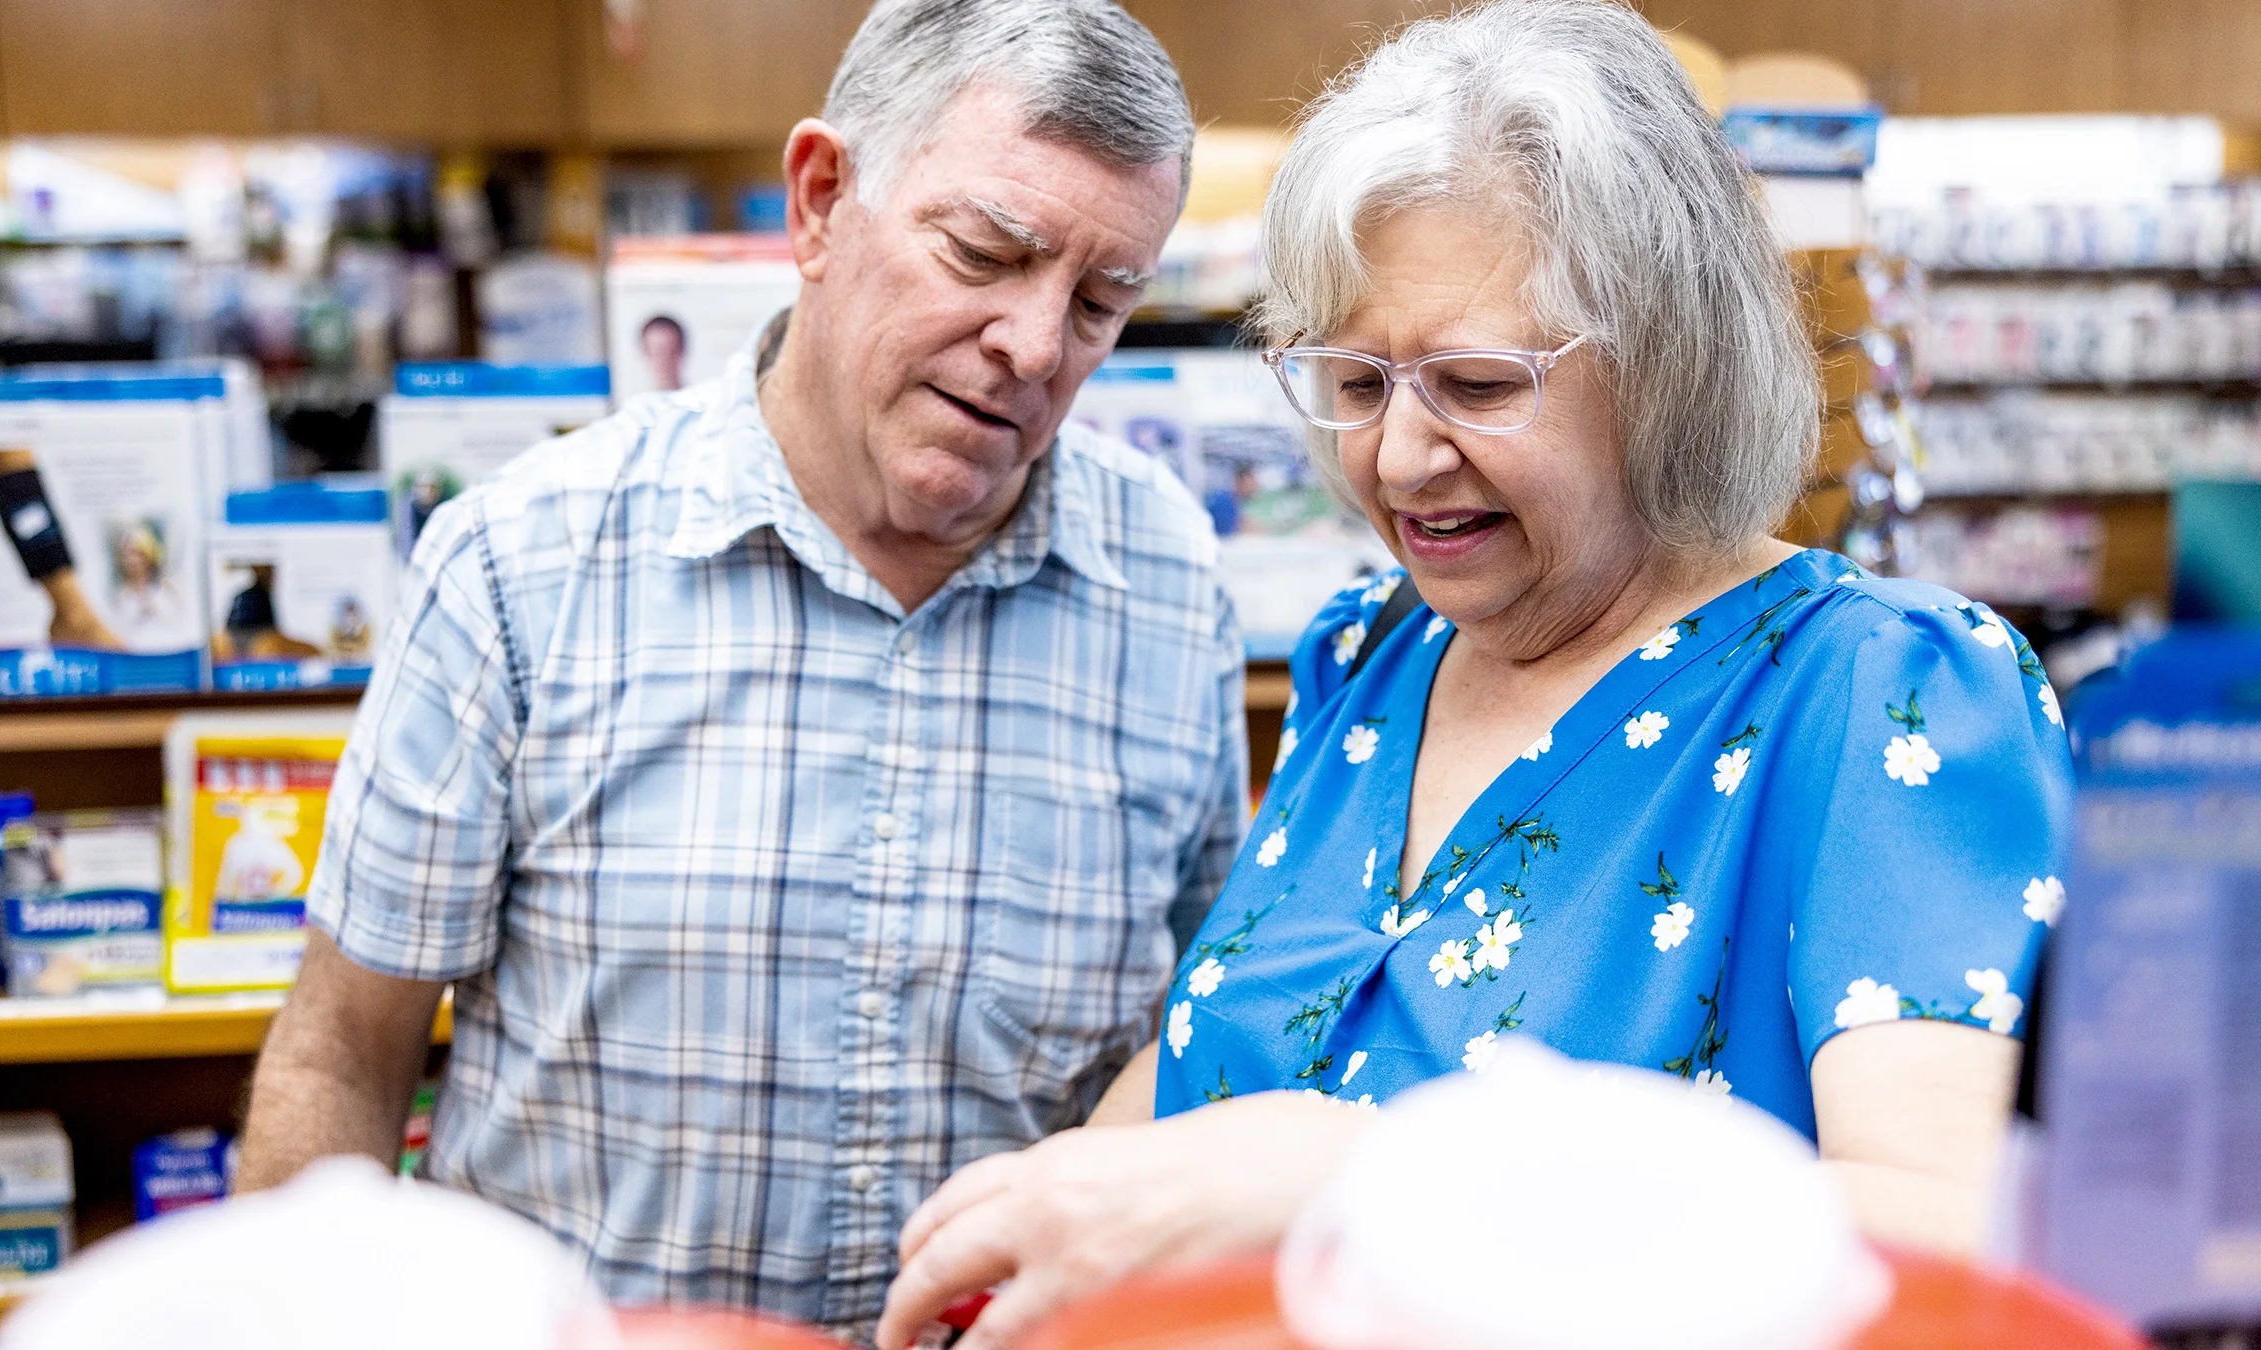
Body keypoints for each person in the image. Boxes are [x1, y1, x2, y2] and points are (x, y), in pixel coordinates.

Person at [875, 4, 2073, 1347]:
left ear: (1671, 365)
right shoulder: (1371, 656)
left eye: (1479, 384)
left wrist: (1367, 1170)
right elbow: (1224, 1059)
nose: (1396, 460)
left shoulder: (1879, 692)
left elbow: (1950, 1232)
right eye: (1357, 380)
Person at [239, 0, 1247, 1338]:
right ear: (822, 201)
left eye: (1101, 301)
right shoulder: (520, 562)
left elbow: (1194, 1035)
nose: (1036, 344)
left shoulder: (1170, 583)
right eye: (986, 253)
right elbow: (342, 1057)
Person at [640, 313, 688, 392]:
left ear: (682, 351)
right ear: (645, 353)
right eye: (658, 352)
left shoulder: (705, 400)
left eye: (671, 351)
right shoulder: (634, 403)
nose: (665, 361)